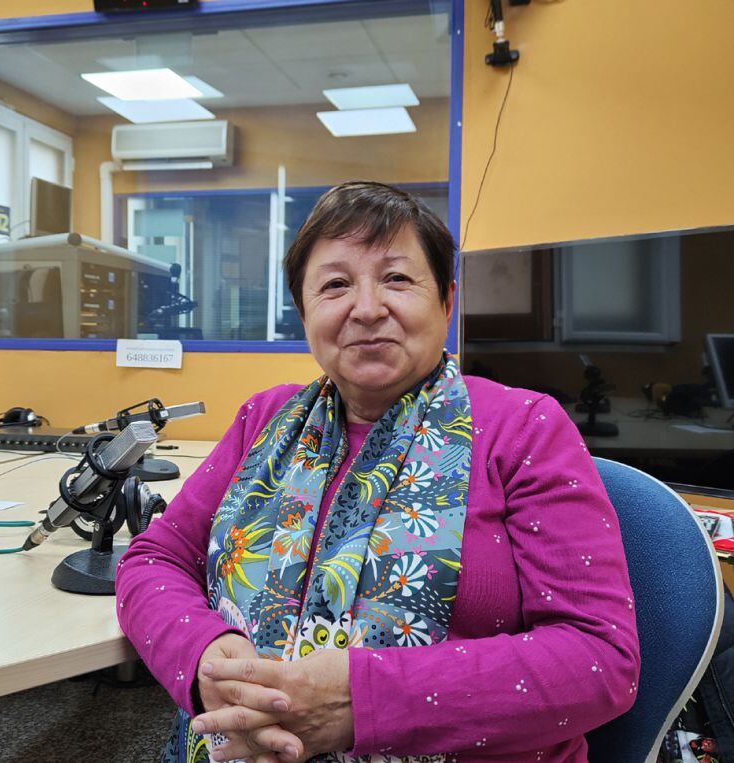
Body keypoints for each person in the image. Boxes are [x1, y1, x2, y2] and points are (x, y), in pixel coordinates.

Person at [115, 182, 640, 762]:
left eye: (396, 278)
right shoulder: (263, 420)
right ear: (305, 312)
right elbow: (153, 559)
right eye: (335, 285)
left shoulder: (525, 429)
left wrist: (357, 703)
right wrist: (211, 661)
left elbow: (599, 658)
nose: (366, 308)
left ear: (445, 302)